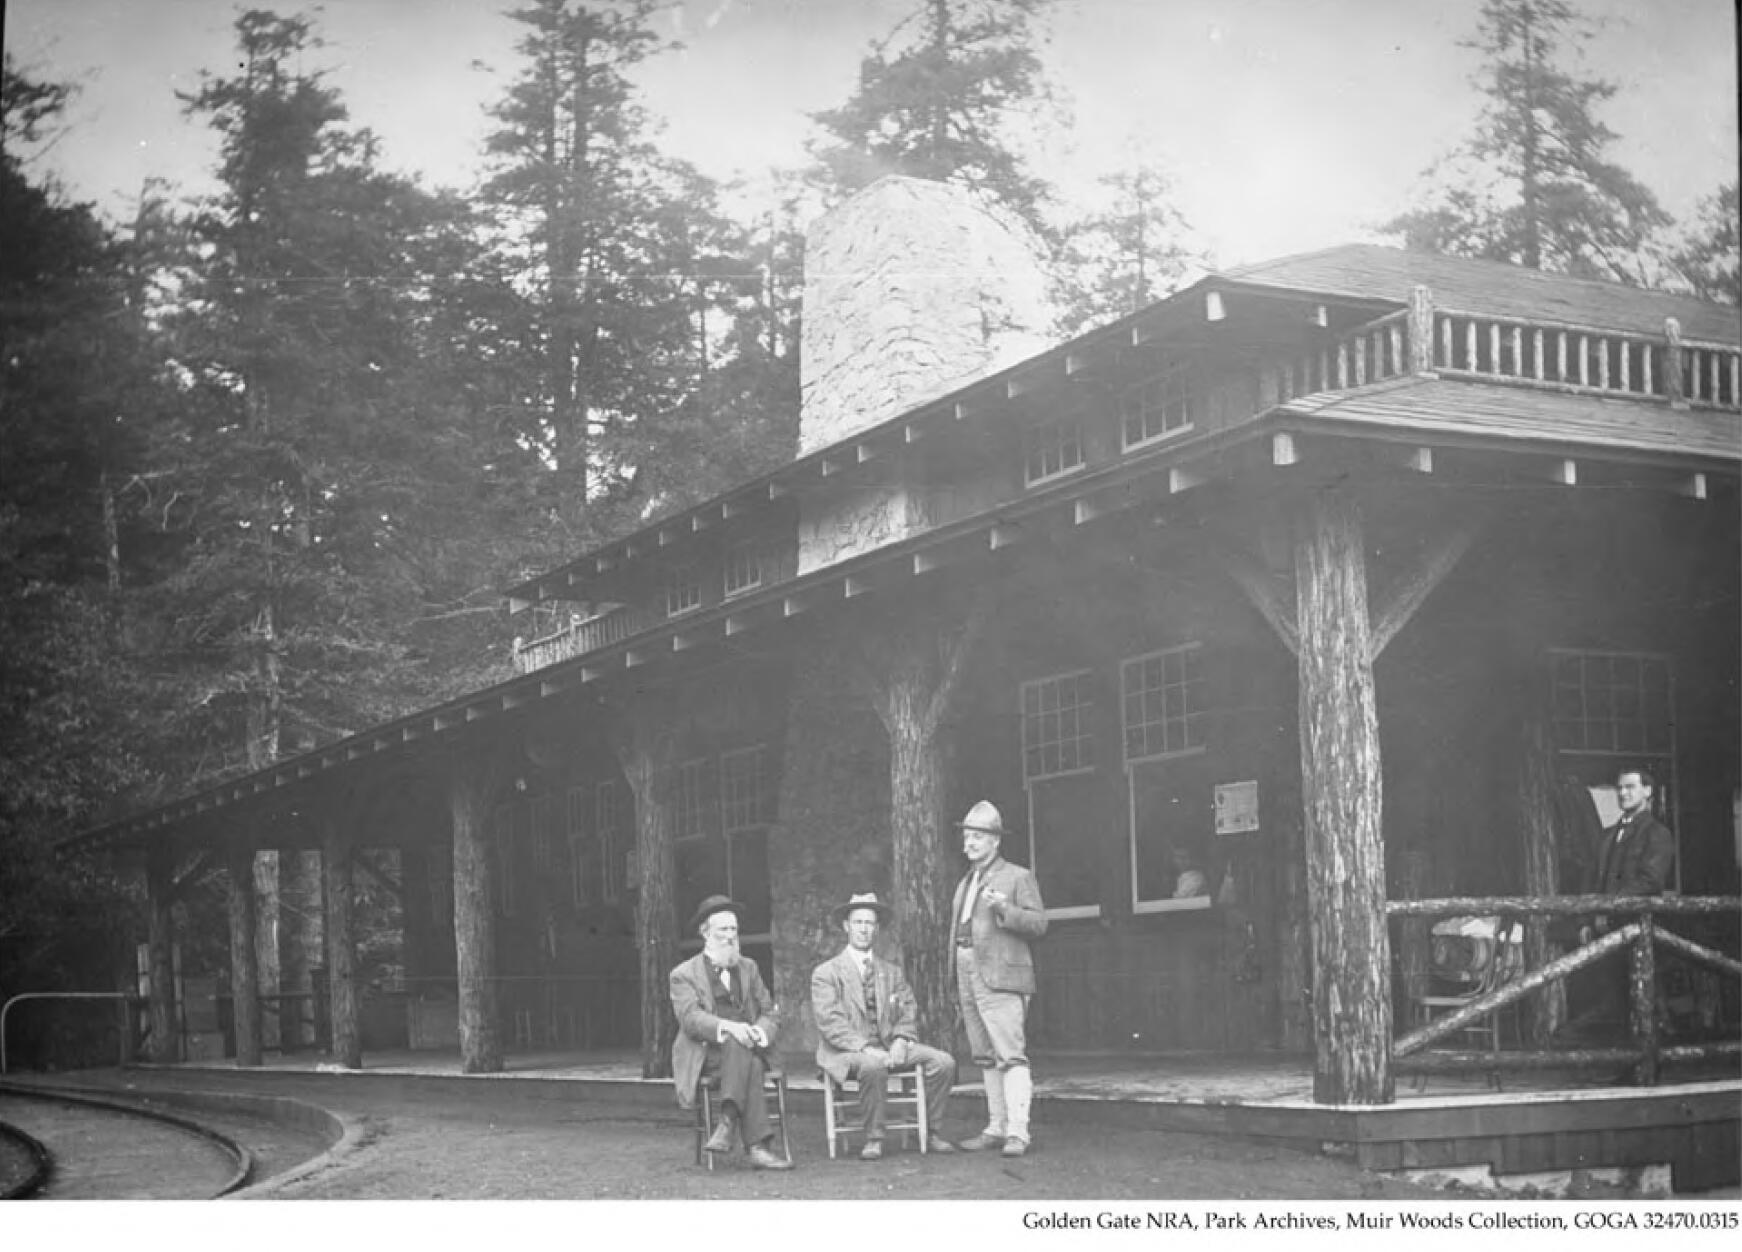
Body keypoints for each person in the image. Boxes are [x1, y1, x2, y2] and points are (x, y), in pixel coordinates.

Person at [812, 892, 959, 1160]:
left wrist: (902, 1039)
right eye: (858, 922)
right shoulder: (827, 973)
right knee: (873, 1065)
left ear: (877, 929)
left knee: (943, 1062)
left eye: (869, 923)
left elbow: (907, 1008)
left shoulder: (891, 971)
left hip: (889, 1045)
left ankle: (928, 1129)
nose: (864, 929)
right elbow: (830, 1023)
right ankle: (874, 1137)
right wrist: (867, 1048)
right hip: (845, 1051)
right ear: (847, 926)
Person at [950, 799, 1047, 1158]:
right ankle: (996, 1126)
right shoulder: (966, 882)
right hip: (966, 970)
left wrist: (1004, 908)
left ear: (995, 841)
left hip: (1001, 976)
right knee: (985, 1055)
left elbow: (1039, 923)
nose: (970, 843)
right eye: (967, 836)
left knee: (1010, 1054)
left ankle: (1018, 1132)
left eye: (978, 836)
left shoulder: (1017, 876)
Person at [669, 895, 793, 1170]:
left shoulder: (749, 967)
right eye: (722, 930)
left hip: (749, 1048)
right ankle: (757, 1148)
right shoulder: (683, 974)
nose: (729, 937)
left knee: (744, 1052)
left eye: (733, 930)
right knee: (746, 1056)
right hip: (707, 1055)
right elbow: (690, 1018)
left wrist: (758, 1032)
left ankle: (727, 1122)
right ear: (705, 933)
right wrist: (729, 1028)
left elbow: (770, 1011)